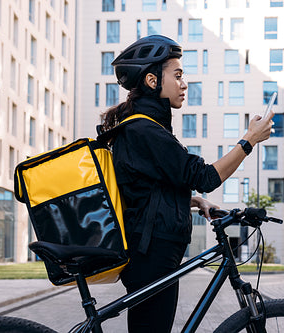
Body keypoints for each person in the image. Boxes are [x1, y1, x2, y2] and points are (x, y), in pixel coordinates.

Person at [100, 35, 274, 333]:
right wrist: (249, 141)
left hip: (154, 254)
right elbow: (204, 176)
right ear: (153, 81)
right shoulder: (145, 130)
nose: (184, 83)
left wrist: (192, 200)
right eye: (177, 75)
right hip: (152, 256)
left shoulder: (147, 127)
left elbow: (147, 186)